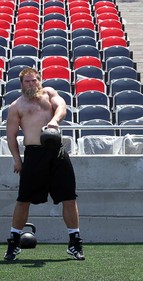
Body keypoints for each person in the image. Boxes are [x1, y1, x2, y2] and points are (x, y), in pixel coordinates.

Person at [4, 67, 85, 261]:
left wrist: (55, 121)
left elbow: (62, 107)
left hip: (57, 152)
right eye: (28, 82)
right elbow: (11, 136)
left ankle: (74, 242)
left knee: (69, 197)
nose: (32, 84)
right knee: (23, 200)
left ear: (39, 80)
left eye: (34, 81)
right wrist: (17, 159)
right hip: (34, 155)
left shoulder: (49, 93)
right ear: (21, 84)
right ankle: (14, 242)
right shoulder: (16, 106)